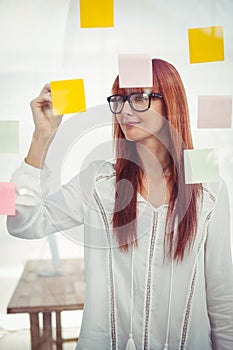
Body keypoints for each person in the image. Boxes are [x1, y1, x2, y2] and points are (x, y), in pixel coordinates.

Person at [7, 59, 233, 350]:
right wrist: (41, 137)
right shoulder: (99, 180)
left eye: (139, 98)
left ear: (171, 103)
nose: (125, 111)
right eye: (119, 99)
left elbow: (222, 293)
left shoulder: (209, 183)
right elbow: (20, 223)